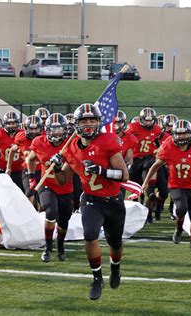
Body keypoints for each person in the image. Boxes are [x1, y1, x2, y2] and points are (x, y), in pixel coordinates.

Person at [51, 103, 128, 300]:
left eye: (92, 120)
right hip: (91, 199)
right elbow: (63, 181)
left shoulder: (108, 141)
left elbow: (124, 175)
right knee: (90, 234)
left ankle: (116, 268)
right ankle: (96, 278)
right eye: (84, 121)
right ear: (76, 124)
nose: (88, 124)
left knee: (115, 242)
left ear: (99, 122)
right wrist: (57, 168)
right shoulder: (70, 148)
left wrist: (101, 170)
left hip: (113, 200)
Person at [142, 120, 191, 253]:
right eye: (178, 134)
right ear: (173, 134)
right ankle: (179, 229)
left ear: (190, 134)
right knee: (181, 208)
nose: (181, 137)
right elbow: (156, 165)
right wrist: (146, 182)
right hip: (175, 185)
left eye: (184, 133)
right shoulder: (168, 146)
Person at [27, 113, 73, 262]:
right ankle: (47, 248)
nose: (56, 133)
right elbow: (30, 158)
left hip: (65, 186)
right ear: (47, 130)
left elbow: (69, 172)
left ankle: (60, 245)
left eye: (59, 129)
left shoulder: (70, 145)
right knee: (50, 212)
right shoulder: (39, 142)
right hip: (46, 184)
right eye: (53, 130)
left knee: (64, 221)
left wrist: (60, 165)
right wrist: (31, 177)